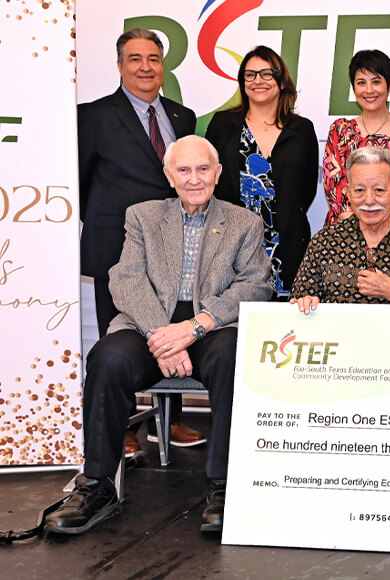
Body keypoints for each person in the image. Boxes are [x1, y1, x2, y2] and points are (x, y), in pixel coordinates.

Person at [45, 135, 273, 535]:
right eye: (183, 170)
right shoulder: (143, 216)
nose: (194, 179)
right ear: (169, 176)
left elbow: (256, 285)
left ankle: (225, 486)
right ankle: (98, 485)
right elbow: (126, 279)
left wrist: (194, 327)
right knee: (108, 357)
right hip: (148, 325)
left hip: (212, 326)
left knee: (232, 354)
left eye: (203, 169)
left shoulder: (245, 223)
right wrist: (162, 337)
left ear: (218, 173)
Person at [78, 28, 203, 454]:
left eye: (153, 58)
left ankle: (172, 419)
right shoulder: (92, 116)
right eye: (135, 59)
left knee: (175, 327)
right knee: (118, 339)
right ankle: (124, 426)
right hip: (115, 246)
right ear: (120, 66)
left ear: (163, 66)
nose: (145, 67)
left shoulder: (183, 116)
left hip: (173, 247)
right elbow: (79, 182)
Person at [206, 45, 318, 301]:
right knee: (233, 314)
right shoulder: (222, 124)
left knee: (284, 317)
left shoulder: (302, 130)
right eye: (250, 75)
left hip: (287, 243)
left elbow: (307, 189)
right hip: (233, 244)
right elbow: (210, 181)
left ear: (281, 81)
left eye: (267, 74)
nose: (258, 81)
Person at [290, 147, 390, 311]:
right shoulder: (324, 242)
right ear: (348, 192)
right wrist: (305, 303)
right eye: (359, 190)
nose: (369, 200)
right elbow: (298, 302)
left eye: (379, 190)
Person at [322, 49, 390, 225]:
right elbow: (336, 190)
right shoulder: (340, 131)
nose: (369, 90)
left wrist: (386, 234)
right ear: (353, 87)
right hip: (347, 233)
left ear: (389, 86)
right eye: (361, 82)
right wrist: (361, 234)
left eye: (376, 81)